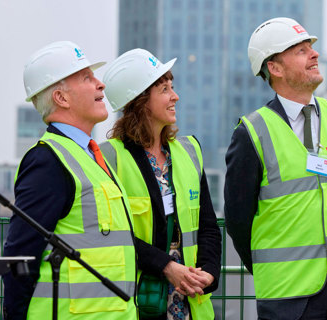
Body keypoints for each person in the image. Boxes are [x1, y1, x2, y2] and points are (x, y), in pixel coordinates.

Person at [224, 17, 327, 320]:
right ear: (275, 68)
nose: (314, 54)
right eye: (301, 51)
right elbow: (238, 219)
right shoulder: (252, 131)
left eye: (310, 48)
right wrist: (272, 267)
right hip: (287, 295)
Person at [3, 41, 137, 319]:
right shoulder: (48, 161)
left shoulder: (88, 157)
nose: (100, 84)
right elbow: (21, 256)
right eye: (87, 78)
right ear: (61, 98)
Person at [100, 48, 221, 320]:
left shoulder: (190, 152)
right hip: (139, 301)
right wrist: (166, 266)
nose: (175, 96)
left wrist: (209, 273)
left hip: (191, 300)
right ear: (141, 101)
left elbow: (208, 226)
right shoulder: (109, 158)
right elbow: (109, 234)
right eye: (164, 89)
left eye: (172, 87)